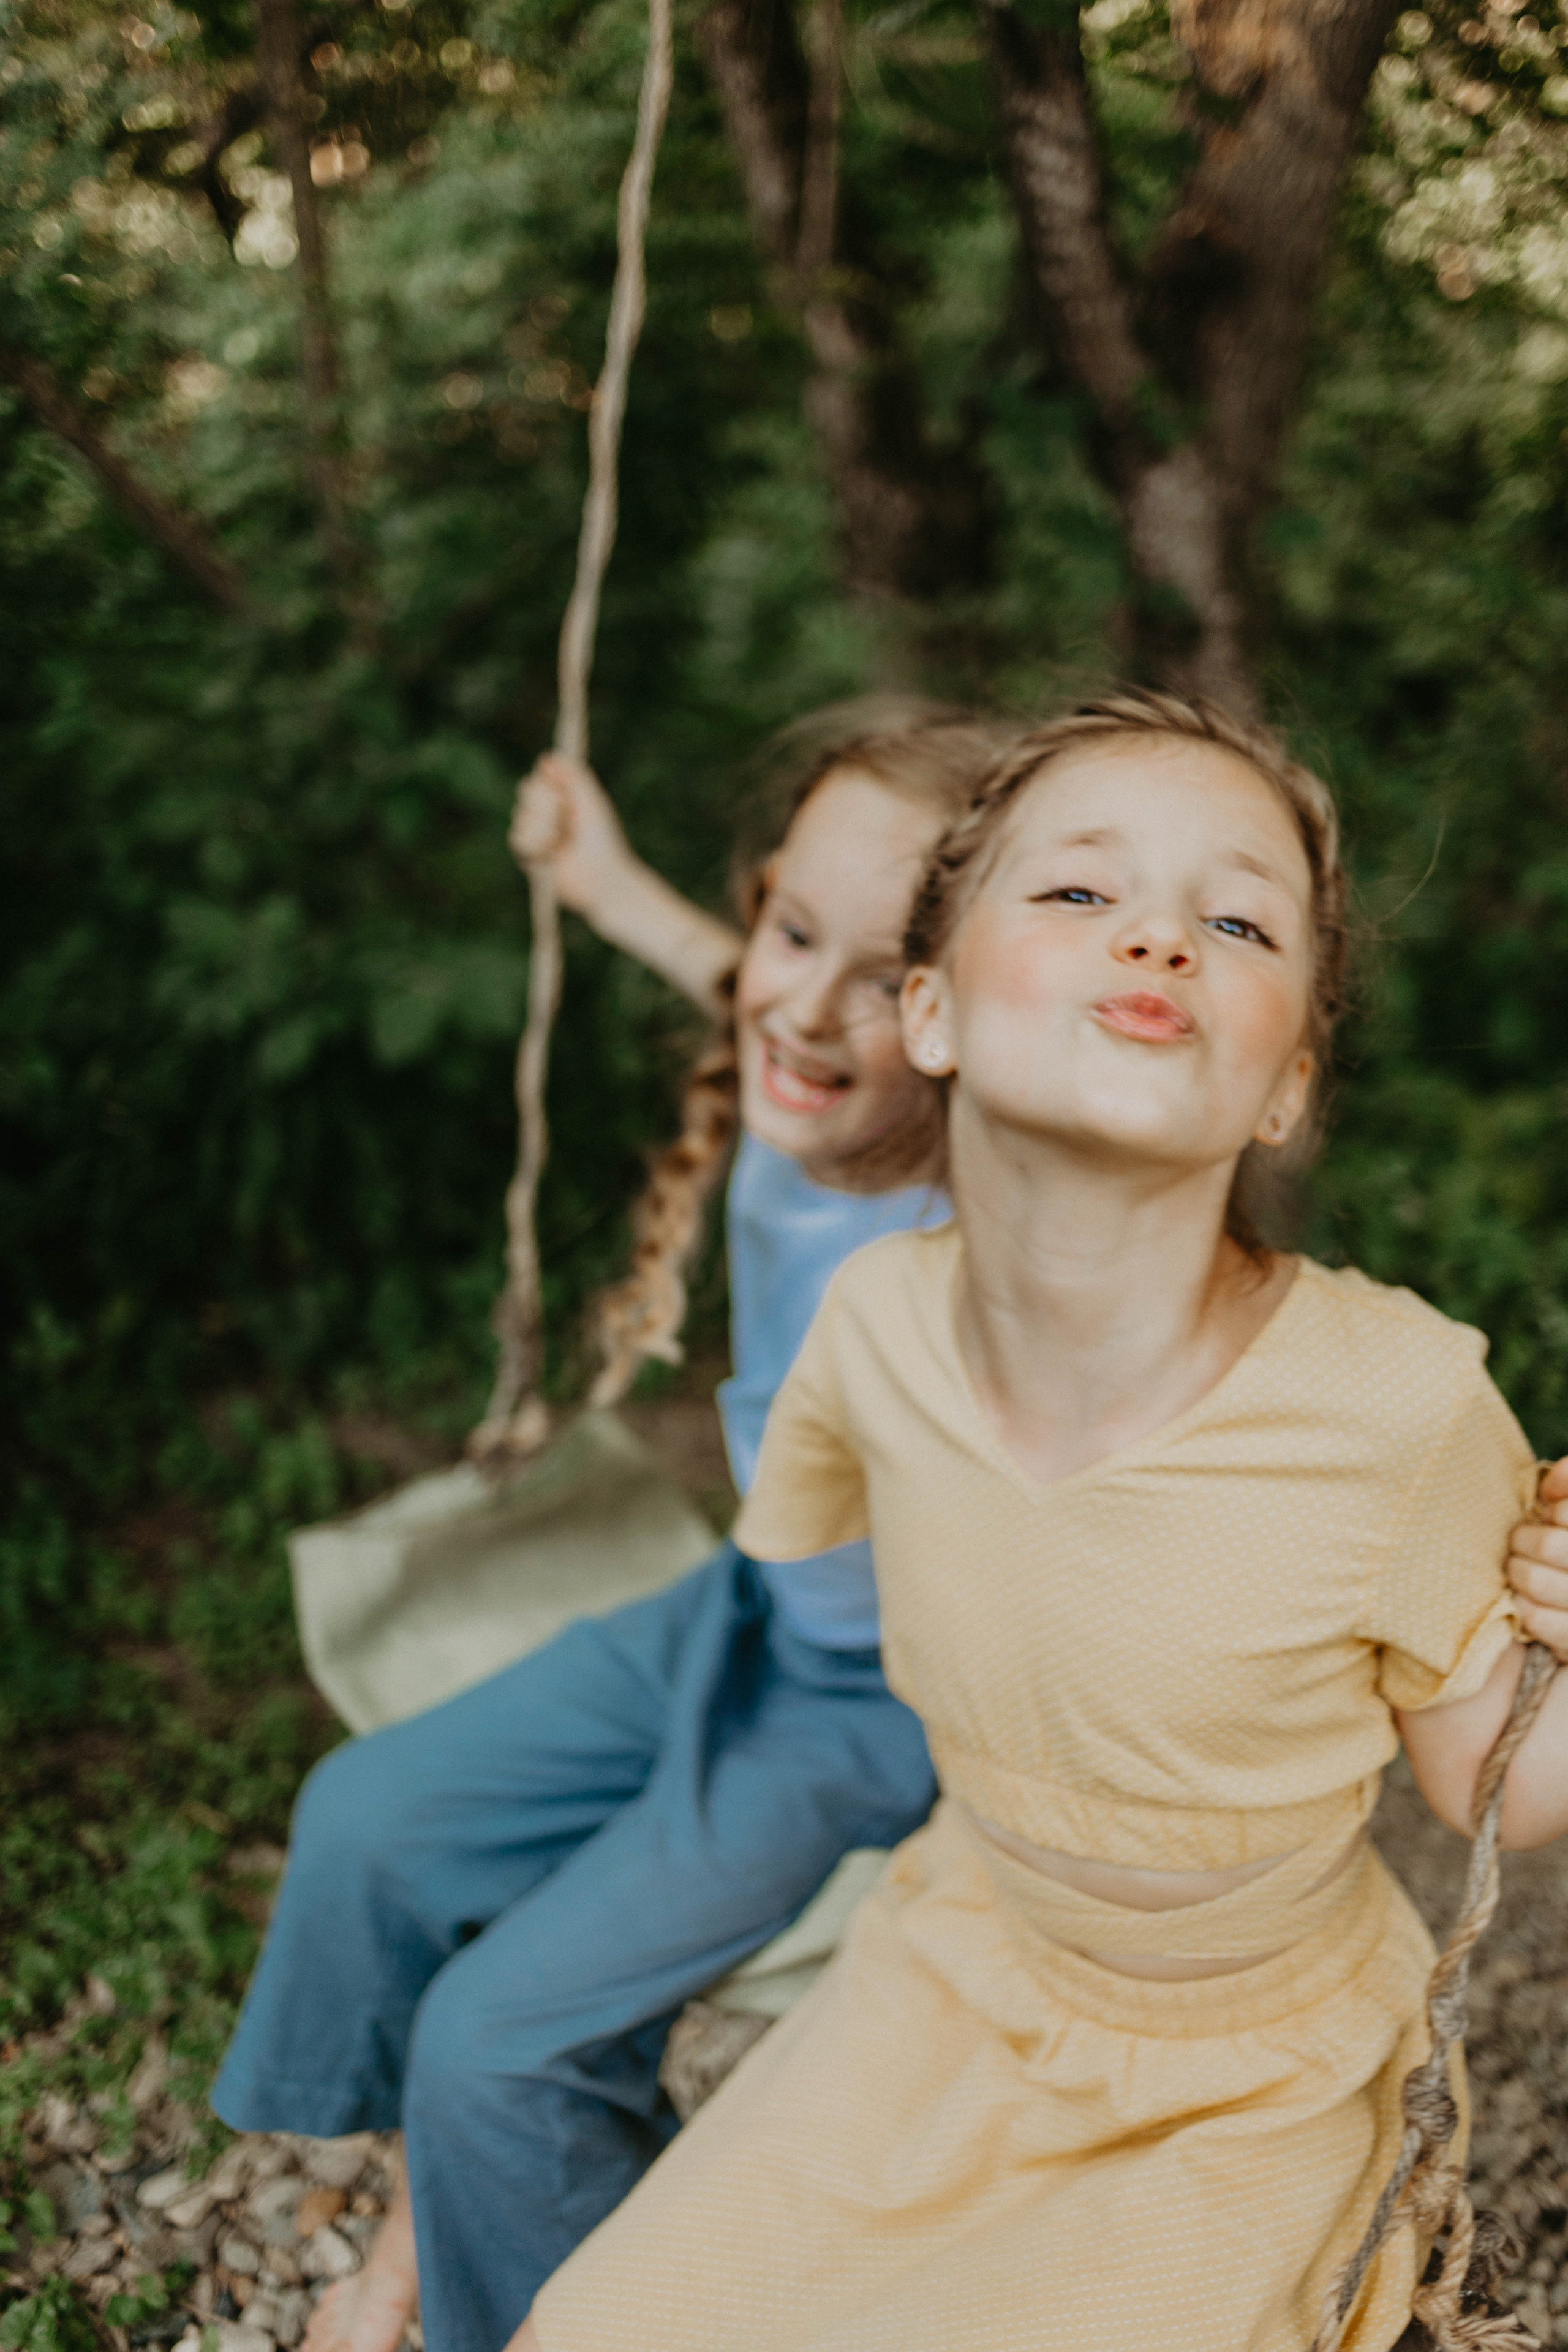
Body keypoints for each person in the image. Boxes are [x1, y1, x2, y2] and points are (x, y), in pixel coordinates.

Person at [518, 692, 1568, 2352]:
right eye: (1080, 892)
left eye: (1235, 918)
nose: (1158, 935)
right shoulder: (867, 1328)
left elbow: (1502, 1789)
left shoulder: (1400, 1407)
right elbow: (844, 1606)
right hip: (953, 1970)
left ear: (1285, 1085)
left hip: (1246, 2078)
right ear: (925, 1011)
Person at [209, 704, 1016, 2352]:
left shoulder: (1000, 1189)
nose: (802, 1003)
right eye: (793, 930)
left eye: (888, 976)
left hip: (884, 1707)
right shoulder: (794, 1045)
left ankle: (567, 2300)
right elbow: (748, 968)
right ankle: (434, 2219)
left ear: (967, 1013)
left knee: (498, 2043)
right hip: (746, 1616)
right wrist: (603, 878)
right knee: (367, 1820)